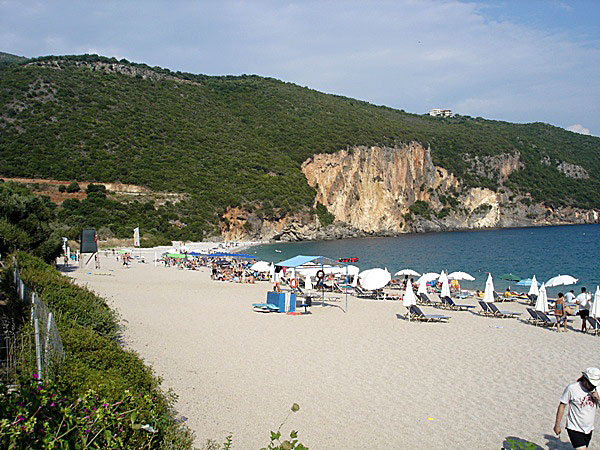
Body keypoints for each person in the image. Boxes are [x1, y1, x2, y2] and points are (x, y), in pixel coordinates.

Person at [554, 367, 600, 449]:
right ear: (585, 379)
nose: (592, 387)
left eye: (594, 385)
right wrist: (557, 425)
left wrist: (598, 398)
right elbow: (562, 405)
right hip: (574, 427)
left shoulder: (597, 389)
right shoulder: (572, 388)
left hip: (588, 429)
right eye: (591, 384)